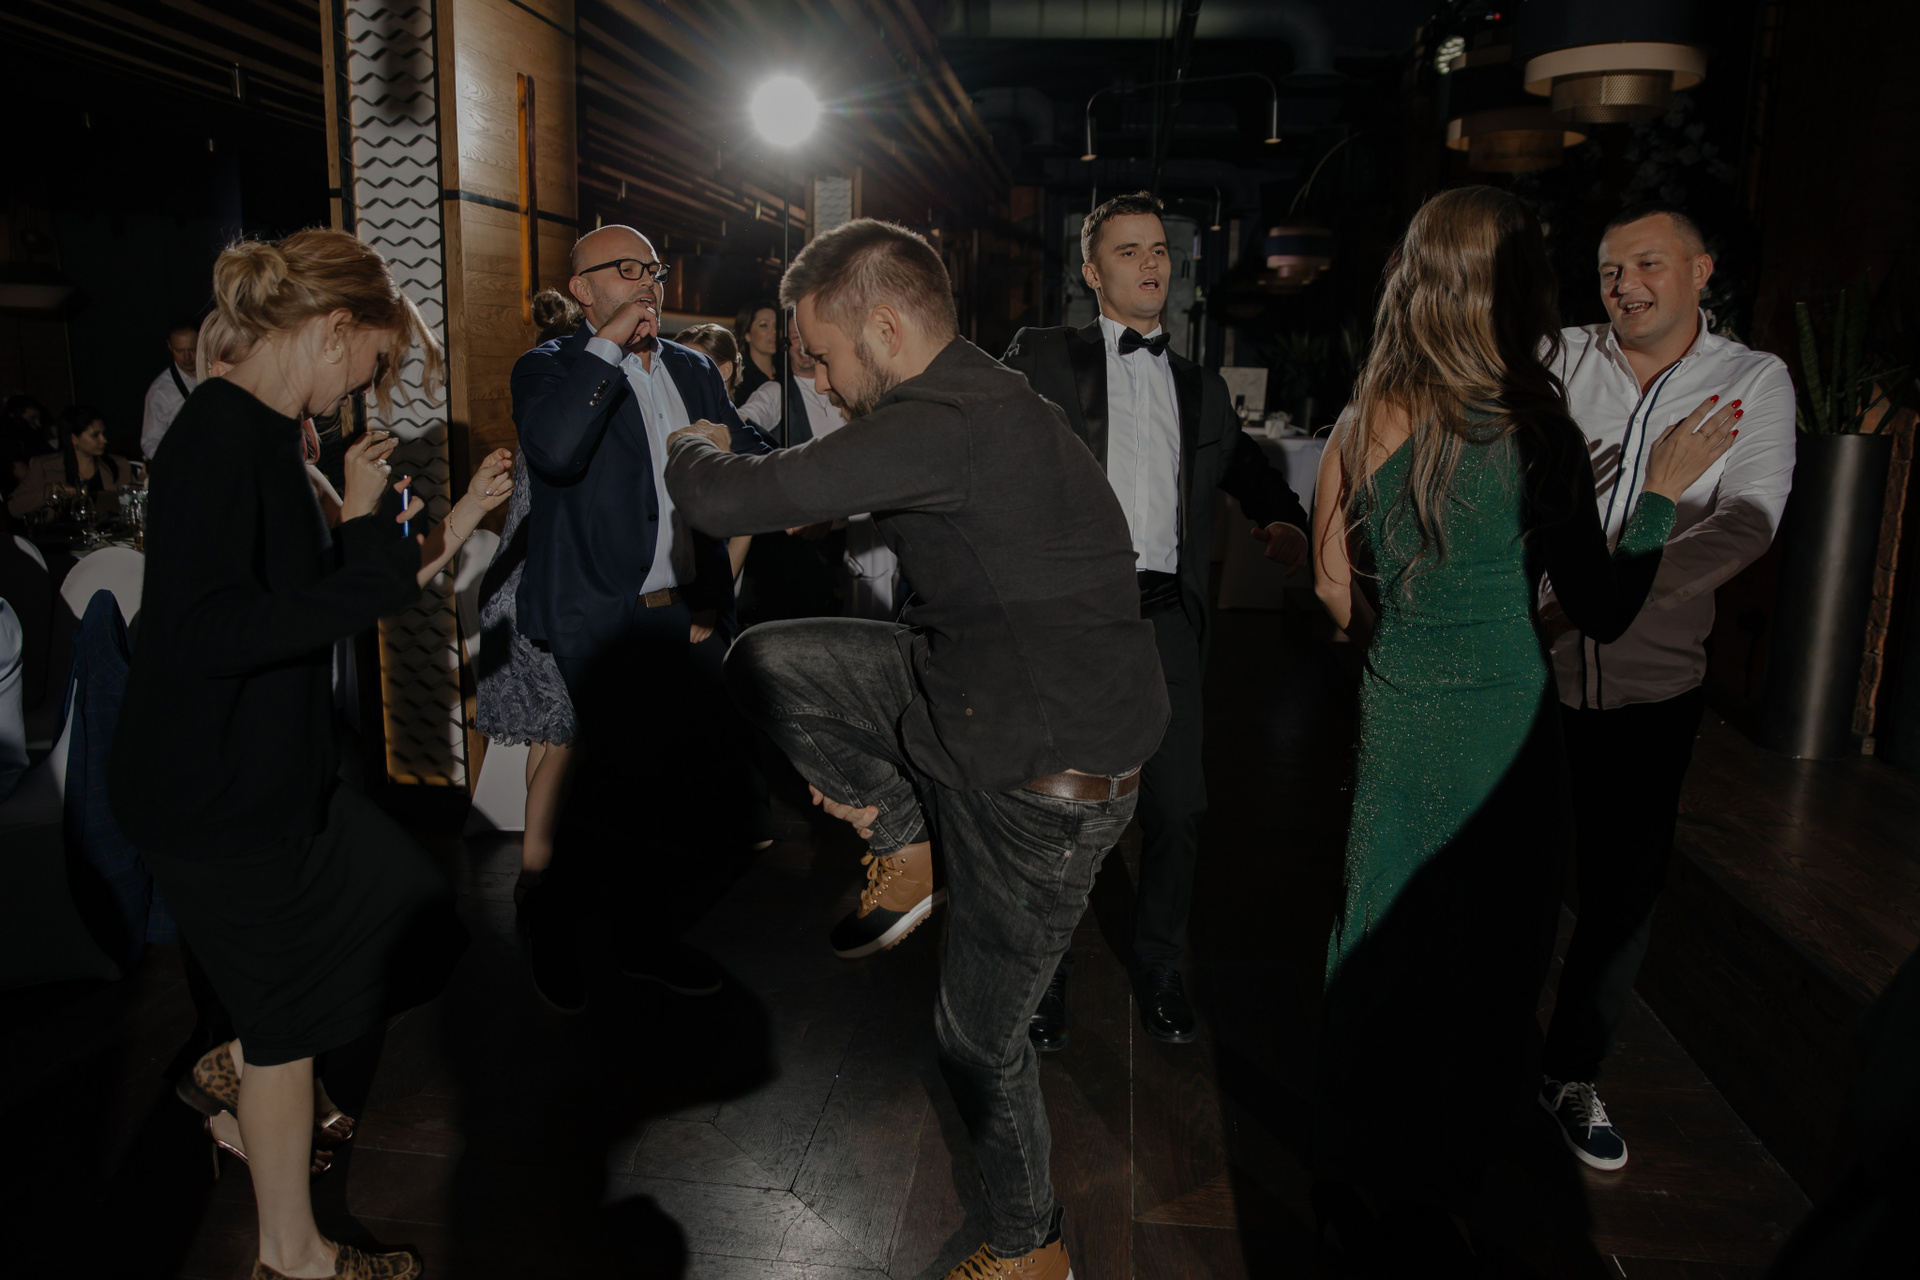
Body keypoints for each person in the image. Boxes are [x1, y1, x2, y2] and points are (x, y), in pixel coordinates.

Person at [665, 217, 1168, 1280]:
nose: (819, 378)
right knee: (770, 661)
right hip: (981, 695)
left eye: (824, 355)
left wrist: (685, 437)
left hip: (1043, 785)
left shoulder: (940, 422)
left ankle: (1031, 1250)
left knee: (977, 1038)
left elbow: (720, 496)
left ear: (887, 327)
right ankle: (904, 840)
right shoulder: (983, 395)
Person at [1307, 186, 1738, 1265]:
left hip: (1397, 723)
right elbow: (1602, 606)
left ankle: (1347, 1170)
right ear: (1520, 290)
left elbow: (1330, 590)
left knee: (1375, 945)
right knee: (1490, 966)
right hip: (1506, 737)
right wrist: (1660, 491)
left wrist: (1402, 645)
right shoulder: (1539, 429)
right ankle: (1438, 1193)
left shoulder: (1361, 417)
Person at [108, 227, 513, 1280]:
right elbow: (208, 631)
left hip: (274, 775)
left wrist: (381, 524)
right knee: (287, 1023)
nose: (364, 389)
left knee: (412, 917)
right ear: (335, 329)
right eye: (371, 362)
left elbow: (297, 591)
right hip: (213, 787)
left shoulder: (265, 436)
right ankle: (293, 1256)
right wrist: (371, 533)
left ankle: (241, 1065)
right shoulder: (216, 437)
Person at [1002, 191, 1312, 1048]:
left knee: (1179, 808)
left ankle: (1161, 961)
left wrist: (1282, 518)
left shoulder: (1200, 386)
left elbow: (1246, 469)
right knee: (1060, 810)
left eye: (1159, 250)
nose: (1149, 263)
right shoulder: (1042, 358)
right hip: (1073, 620)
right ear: (1091, 272)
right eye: (1128, 250)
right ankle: (1046, 973)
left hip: (1166, 619)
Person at [1534, 202, 1796, 1171]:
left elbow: (1749, 519)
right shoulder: (1557, 358)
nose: (1625, 285)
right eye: (1610, 269)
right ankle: (1477, 1052)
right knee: (1517, 876)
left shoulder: (1754, 380)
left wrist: (1609, 598)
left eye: (1647, 264)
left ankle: (1569, 1072)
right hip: (1531, 674)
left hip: (1656, 687)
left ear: (1701, 271)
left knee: (1621, 900)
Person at [510, 224, 774, 1014]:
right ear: (583, 288)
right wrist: (607, 349)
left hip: (678, 613)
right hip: (597, 615)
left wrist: (707, 595)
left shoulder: (692, 368)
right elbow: (557, 452)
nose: (647, 282)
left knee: (672, 793)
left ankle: (640, 940)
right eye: (625, 270)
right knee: (607, 790)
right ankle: (551, 932)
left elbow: (745, 449)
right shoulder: (549, 368)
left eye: (653, 269)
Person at [475, 288, 583, 907]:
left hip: (513, 590)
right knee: (564, 736)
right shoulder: (563, 438)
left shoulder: (538, 431)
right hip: (540, 592)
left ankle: (541, 864)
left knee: (548, 736)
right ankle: (536, 873)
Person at [734, 321, 853, 624]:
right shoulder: (777, 391)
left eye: (806, 336)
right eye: (793, 337)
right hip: (805, 551)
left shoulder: (846, 392)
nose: (801, 344)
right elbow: (742, 422)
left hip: (854, 539)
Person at [7, 404, 133, 519]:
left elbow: (130, 505)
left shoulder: (117, 465)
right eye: (95, 435)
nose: (104, 440)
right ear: (74, 438)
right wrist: (50, 492)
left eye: (103, 434)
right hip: (60, 534)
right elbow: (14, 507)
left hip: (108, 533)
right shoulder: (45, 466)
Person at [141, 319, 201, 460]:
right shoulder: (160, 391)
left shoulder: (220, 372)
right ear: (169, 346)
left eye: (192, 349)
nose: (187, 357)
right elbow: (151, 442)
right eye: (179, 351)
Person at [731, 299, 779, 404]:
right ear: (747, 334)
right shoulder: (740, 380)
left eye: (776, 325)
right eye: (764, 325)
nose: (774, 331)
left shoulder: (786, 371)